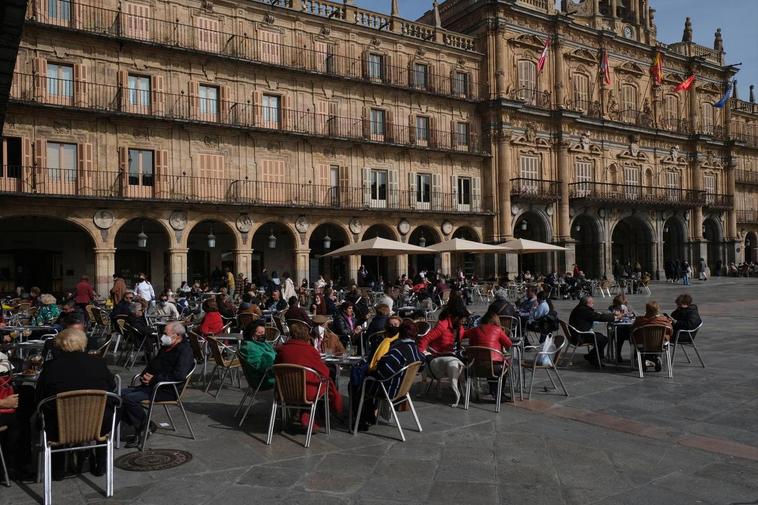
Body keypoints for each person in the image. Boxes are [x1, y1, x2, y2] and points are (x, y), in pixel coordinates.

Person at [36, 329, 116, 478]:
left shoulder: (51, 367)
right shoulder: (98, 363)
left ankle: (58, 469)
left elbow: (40, 396)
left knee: (49, 412)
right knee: (110, 410)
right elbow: (111, 387)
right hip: (96, 423)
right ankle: (101, 462)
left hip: (61, 425)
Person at [120, 321, 193, 447]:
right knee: (118, 395)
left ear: (176, 335)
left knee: (128, 399)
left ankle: (143, 427)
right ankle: (144, 424)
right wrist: (145, 375)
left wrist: (154, 379)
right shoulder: (166, 347)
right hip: (151, 385)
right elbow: (154, 364)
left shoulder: (184, 351)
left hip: (166, 389)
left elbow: (179, 375)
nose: (161, 336)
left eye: (165, 333)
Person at [357, 321, 423, 432]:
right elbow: (422, 366)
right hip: (404, 390)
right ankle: (369, 417)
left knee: (359, 384)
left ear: (400, 333)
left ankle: (362, 420)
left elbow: (382, 373)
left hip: (390, 390)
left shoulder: (396, 351)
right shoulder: (415, 350)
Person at [275, 322, 343, 429]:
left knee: (305, 384)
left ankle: (302, 414)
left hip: (283, 391)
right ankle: (307, 415)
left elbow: (276, 367)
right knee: (320, 382)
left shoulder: (281, 349)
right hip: (306, 392)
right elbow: (325, 372)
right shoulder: (310, 350)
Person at [464, 311, 513, 397]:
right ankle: (499, 394)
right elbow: (509, 344)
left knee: (486, 362)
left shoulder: (474, 330)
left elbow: (466, 338)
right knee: (504, 365)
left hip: (475, 367)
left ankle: (493, 390)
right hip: (495, 367)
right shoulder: (498, 330)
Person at [568, 296, 616, 367]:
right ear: (587, 303)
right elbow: (599, 317)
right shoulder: (584, 311)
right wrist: (614, 317)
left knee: (601, 337)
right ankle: (593, 357)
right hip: (580, 336)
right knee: (602, 339)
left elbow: (594, 315)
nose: (593, 304)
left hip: (577, 334)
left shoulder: (579, 309)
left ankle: (595, 356)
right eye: (592, 303)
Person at [631, 301, 673, 372]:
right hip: (660, 344)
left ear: (647, 310)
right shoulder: (664, 321)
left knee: (633, 339)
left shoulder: (640, 320)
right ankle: (654, 357)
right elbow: (670, 332)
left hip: (643, 343)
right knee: (657, 341)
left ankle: (643, 358)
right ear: (658, 310)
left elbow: (632, 330)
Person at [238, 321, 276, 391]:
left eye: (263, 333)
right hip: (264, 380)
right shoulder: (248, 347)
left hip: (271, 374)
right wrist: (269, 358)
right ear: (251, 334)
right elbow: (259, 366)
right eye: (259, 333)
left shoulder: (262, 343)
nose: (262, 335)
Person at [609, 293, 634, 362]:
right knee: (620, 335)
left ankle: (633, 354)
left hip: (626, 328)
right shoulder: (612, 308)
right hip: (616, 330)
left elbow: (631, 315)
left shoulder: (627, 307)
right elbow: (611, 317)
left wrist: (629, 312)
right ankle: (618, 354)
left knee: (632, 333)